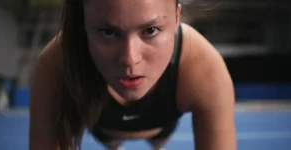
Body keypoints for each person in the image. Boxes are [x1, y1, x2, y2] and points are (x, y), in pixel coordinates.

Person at [29, 0, 236, 150]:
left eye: (151, 30)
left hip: (160, 129)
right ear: (83, 26)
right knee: (112, 143)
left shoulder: (203, 67)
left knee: (159, 141)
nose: (130, 59)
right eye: (108, 32)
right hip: (104, 131)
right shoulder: (55, 65)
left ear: (176, 19)